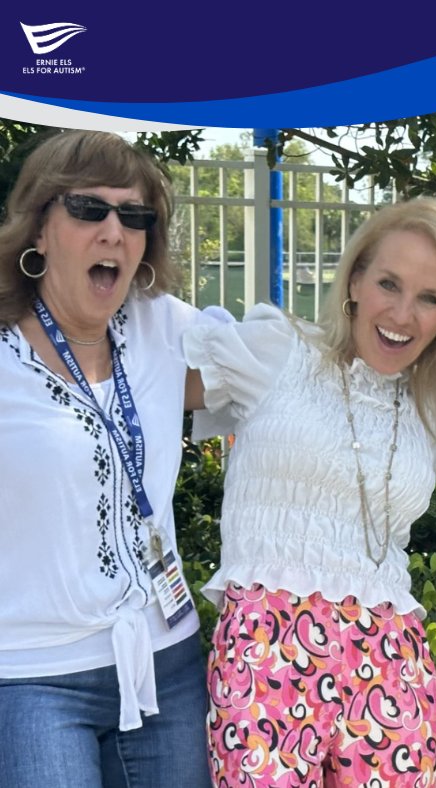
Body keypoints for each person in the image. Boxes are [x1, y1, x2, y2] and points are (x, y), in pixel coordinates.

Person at [182, 197, 436, 786]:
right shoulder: (278, 350)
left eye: (431, 298)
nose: (402, 314)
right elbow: (142, 385)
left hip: (389, 652)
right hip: (267, 645)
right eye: (388, 284)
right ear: (354, 280)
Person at [0, 131, 212, 786]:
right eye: (90, 209)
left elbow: (305, 368)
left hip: (165, 668)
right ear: (39, 228)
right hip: (33, 680)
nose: (115, 231)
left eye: (136, 215)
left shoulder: (166, 328)